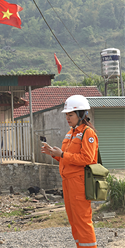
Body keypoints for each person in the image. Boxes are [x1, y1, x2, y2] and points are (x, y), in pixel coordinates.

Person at [41, 94, 98, 248]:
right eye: (66, 114)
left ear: (81, 114)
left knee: (82, 220)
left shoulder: (88, 133)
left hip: (79, 182)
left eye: (70, 114)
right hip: (67, 182)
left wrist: (63, 154)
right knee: (73, 220)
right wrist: (54, 153)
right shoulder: (70, 133)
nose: (67, 118)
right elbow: (67, 158)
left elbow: (87, 159)